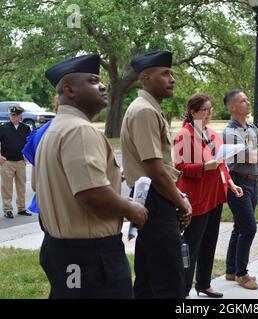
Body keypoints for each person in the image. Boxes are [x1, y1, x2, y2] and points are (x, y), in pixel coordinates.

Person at [36, 54, 148, 298]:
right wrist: (131, 209)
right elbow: (93, 196)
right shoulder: (80, 130)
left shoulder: (54, 129)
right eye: (93, 80)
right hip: (90, 256)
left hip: (62, 250)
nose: (103, 86)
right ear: (69, 90)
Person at [121, 50, 192, 299]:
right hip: (154, 199)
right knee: (169, 283)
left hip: (155, 198)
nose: (172, 78)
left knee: (151, 279)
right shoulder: (144, 111)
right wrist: (181, 202)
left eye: (172, 73)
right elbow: (155, 169)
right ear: (147, 78)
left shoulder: (149, 108)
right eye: (165, 73)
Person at [173, 93, 243, 298]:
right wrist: (204, 167)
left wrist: (230, 183)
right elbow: (179, 166)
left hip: (215, 195)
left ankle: (203, 283)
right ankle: (183, 288)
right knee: (192, 245)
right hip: (196, 197)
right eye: (204, 110)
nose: (208, 114)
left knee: (210, 242)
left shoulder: (212, 133)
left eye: (210, 110)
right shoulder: (184, 135)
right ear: (192, 112)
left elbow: (220, 162)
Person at [222, 89, 258, 290]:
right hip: (238, 182)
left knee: (240, 227)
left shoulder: (252, 127)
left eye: (247, 99)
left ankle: (230, 270)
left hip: (253, 182)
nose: (247, 102)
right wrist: (257, 153)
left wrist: (257, 152)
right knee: (249, 227)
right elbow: (251, 157)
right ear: (232, 107)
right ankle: (241, 274)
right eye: (242, 101)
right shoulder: (230, 132)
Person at [0, 105, 31, 218]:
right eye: (12, 115)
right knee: (6, 187)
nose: (13, 117)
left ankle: (22, 208)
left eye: (16, 115)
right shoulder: (3, 128)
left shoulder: (26, 128)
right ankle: (7, 209)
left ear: (20, 116)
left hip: (20, 162)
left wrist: (29, 157)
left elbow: (30, 143)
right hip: (7, 162)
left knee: (21, 187)